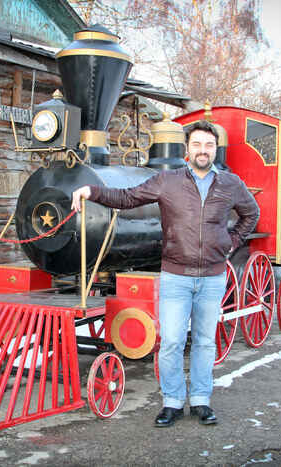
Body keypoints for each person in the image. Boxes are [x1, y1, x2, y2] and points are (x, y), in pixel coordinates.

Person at [71, 120, 259, 427]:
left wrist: (230, 242)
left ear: (214, 150)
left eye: (209, 146)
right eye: (197, 145)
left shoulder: (230, 183)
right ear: (186, 150)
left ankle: (201, 400)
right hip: (176, 276)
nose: (203, 151)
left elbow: (252, 214)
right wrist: (90, 190)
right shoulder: (167, 181)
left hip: (212, 277)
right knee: (171, 341)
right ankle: (172, 401)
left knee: (204, 342)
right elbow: (127, 197)